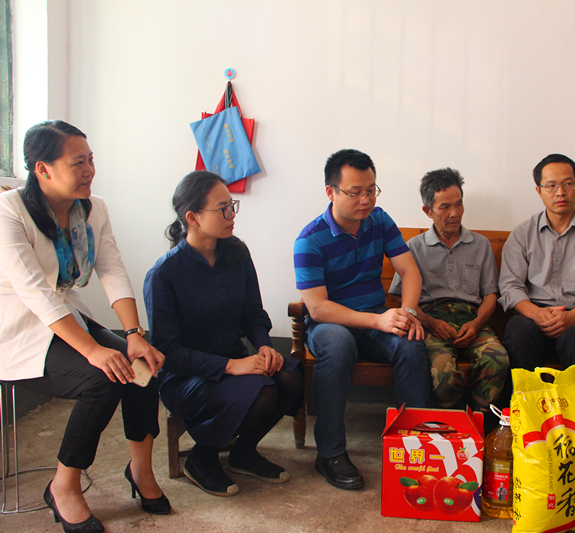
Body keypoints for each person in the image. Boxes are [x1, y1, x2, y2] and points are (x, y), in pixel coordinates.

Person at [0, 121, 169, 533]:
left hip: (64, 315)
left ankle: (140, 470)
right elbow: (34, 292)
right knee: (103, 379)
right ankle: (64, 486)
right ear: (43, 169)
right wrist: (93, 351)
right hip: (15, 328)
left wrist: (133, 336)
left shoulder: (92, 209)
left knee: (142, 367)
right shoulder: (8, 212)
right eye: (78, 162)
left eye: (91, 159)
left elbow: (112, 270)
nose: (90, 170)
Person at [144, 171, 302, 497]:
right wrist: (230, 366)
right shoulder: (164, 274)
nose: (232, 215)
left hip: (234, 360)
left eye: (232, 206)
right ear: (193, 217)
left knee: (290, 377)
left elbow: (252, 312)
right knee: (263, 392)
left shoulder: (236, 253)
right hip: (186, 377)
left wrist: (263, 347)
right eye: (223, 209)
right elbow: (168, 351)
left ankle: (244, 452)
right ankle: (202, 458)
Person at [293, 149, 431, 490]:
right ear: (331, 192)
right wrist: (378, 321)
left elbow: (409, 271)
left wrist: (407, 313)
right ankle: (330, 453)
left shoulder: (379, 221)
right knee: (338, 344)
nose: (366, 200)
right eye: (355, 192)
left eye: (371, 190)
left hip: (374, 317)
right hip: (330, 324)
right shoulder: (309, 241)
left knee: (410, 342)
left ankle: (417, 445)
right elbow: (318, 308)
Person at [499, 153, 575, 481]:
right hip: (533, 313)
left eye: (567, 184)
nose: (560, 192)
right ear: (538, 190)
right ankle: (524, 435)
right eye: (551, 185)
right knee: (518, 335)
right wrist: (536, 313)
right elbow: (510, 286)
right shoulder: (523, 234)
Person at [388, 168, 508, 433]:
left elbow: (491, 295)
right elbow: (402, 299)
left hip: (472, 319)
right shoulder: (415, 247)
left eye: (459, 204)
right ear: (428, 211)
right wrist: (431, 323)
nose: (454, 213)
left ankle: (477, 421)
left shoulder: (480, 245)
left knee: (498, 359)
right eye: (445, 207)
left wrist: (477, 324)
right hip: (430, 319)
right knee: (442, 372)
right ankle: (450, 422)